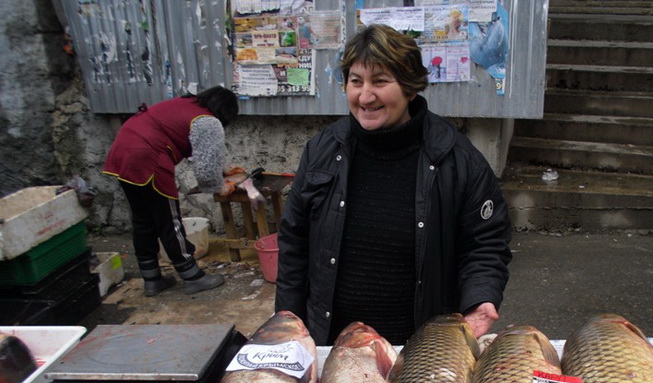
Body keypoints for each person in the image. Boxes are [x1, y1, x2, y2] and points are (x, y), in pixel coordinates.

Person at [275, 24, 512, 346]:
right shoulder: (323, 150)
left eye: (380, 81)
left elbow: (485, 243)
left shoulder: (457, 160)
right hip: (335, 344)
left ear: (410, 87)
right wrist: (287, 320)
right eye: (355, 82)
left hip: (421, 347)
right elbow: (294, 241)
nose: (365, 96)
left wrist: (480, 297)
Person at [103, 86, 239, 296]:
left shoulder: (186, 106)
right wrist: (219, 186)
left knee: (143, 219)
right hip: (147, 159)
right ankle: (192, 277)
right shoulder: (208, 121)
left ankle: (152, 279)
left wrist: (222, 169)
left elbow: (200, 153)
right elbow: (205, 172)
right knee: (170, 221)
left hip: (123, 152)